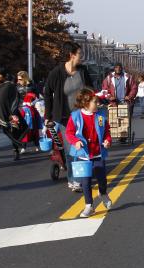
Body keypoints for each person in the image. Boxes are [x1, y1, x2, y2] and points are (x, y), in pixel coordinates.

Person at [44, 41, 93, 192]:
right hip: (65, 117)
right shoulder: (57, 72)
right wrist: (48, 115)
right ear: (72, 55)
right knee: (71, 148)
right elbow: (47, 92)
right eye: (79, 54)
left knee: (83, 146)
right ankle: (73, 180)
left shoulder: (83, 71)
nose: (81, 57)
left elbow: (90, 89)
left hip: (82, 115)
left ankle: (83, 175)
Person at [65, 88, 113, 217]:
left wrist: (107, 140)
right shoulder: (75, 116)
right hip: (83, 155)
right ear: (86, 103)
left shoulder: (100, 116)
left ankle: (103, 193)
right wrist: (75, 141)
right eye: (95, 102)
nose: (97, 104)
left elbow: (107, 132)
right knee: (85, 181)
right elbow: (69, 132)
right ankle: (89, 205)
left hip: (98, 153)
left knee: (102, 178)